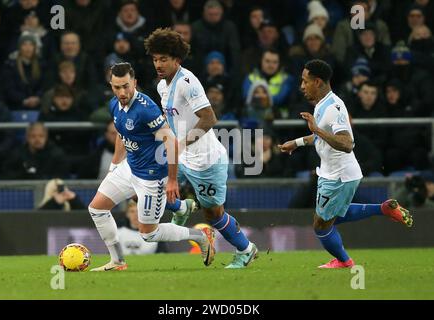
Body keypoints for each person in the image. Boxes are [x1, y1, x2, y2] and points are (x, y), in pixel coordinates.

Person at [278, 59, 413, 269]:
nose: (302, 86)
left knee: (321, 226)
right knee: (334, 217)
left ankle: (344, 261)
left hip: (339, 175)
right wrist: (296, 143)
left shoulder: (334, 107)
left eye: (305, 81)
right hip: (332, 172)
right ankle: (384, 209)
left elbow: (347, 144)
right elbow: (322, 136)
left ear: (318, 82)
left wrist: (317, 130)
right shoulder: (322, 104)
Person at [144, 28, 258, 269]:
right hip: (183, 157)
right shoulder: (162, 87)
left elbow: (209, 118)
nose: (158, 64)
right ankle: (182, 207)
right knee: (151, 183)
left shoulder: (187, 82)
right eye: (155, 59)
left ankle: (246, 249)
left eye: (163, 59)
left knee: (213, 216)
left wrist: (181, 143)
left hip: (206, 162)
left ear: (177, 59)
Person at [87, 62, 215, 271]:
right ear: (111, 86)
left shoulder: (146, 109)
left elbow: (171, 142)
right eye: (117, 87)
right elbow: (122, 134)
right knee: (97, 208)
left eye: (126, 86)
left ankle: (200, 236)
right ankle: (118, 260)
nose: (122, 92)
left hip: (152, 176)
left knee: (149, 234)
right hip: (130, 167)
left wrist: (172, 180)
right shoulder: (114, 105)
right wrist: (113, 167)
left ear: (134, 83)